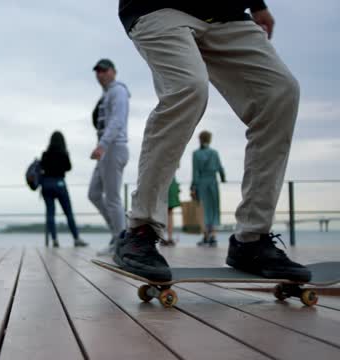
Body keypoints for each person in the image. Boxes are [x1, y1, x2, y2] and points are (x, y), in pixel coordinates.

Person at [114, 1, 311, 282]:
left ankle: (251, 240)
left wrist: (256, 4)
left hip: (225, 12)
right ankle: (140, 230)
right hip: (156, 6)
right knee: (188, 88)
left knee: (281, 92)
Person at [88, 59, 130, 256]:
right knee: (94, 194)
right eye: (97, 72)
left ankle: (121, 240)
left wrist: (102, 146)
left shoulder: (118, 92)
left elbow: (117, 121)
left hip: (114, 148)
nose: (100, 74)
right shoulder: (106, 95)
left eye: (104, 71)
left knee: (112, 198)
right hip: (106, 151)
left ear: (113, 71)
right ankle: (118, 232)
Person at [40, 131, 88, 248]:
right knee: (68, 212)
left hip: (46, 184)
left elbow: (41, 167)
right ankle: (76, 238)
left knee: (50, 214)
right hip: (60, 183)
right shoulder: (63, 153)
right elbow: (68, 167)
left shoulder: (45, 154)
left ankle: (54, 240)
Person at [192, 131, 225, 247]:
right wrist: (223, 178)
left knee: (203, 209)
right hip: (213, 182)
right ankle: (213, 236)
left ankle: (206, 236)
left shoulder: (196, 154)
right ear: (209, 139)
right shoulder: (214, 153)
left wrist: (193, 186)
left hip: (201, 183)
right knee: (214, 208)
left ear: (200, 139)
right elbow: (220, 168)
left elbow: (195, 172)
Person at [161, 176, 180, 247]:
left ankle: (163, 237)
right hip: (171, 182)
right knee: (170, 213)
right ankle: (170, 238)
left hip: (163, 183)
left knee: (162, 212)